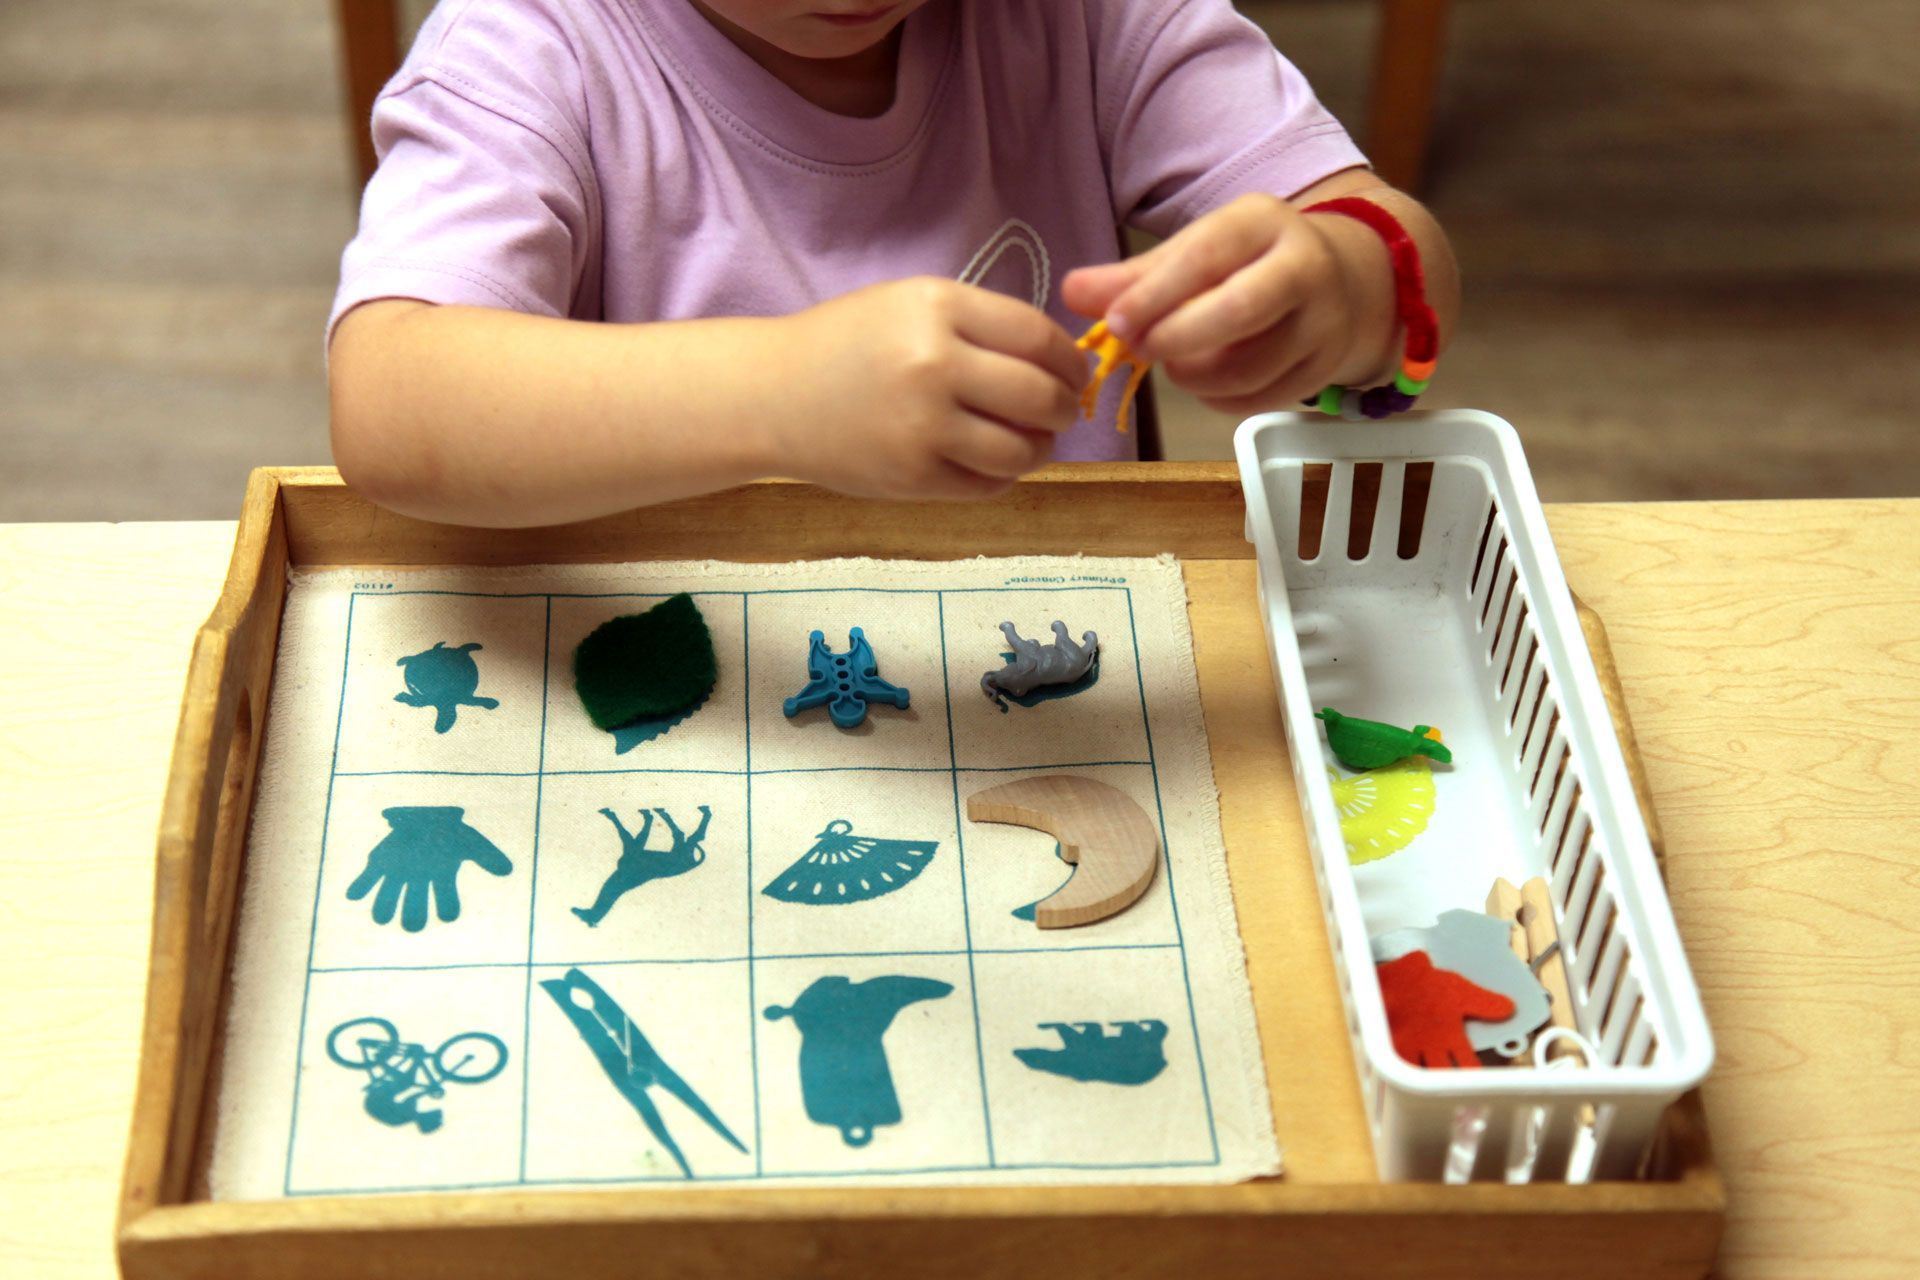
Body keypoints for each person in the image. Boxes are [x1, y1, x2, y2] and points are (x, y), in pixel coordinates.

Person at [327, 0, 1459, 528]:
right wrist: (774, 395)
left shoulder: (1093, 20)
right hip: (703, 680)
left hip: (1066, 655)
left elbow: (1399, 257)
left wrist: (1344, 282)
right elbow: (389, 398)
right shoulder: (526, 51)